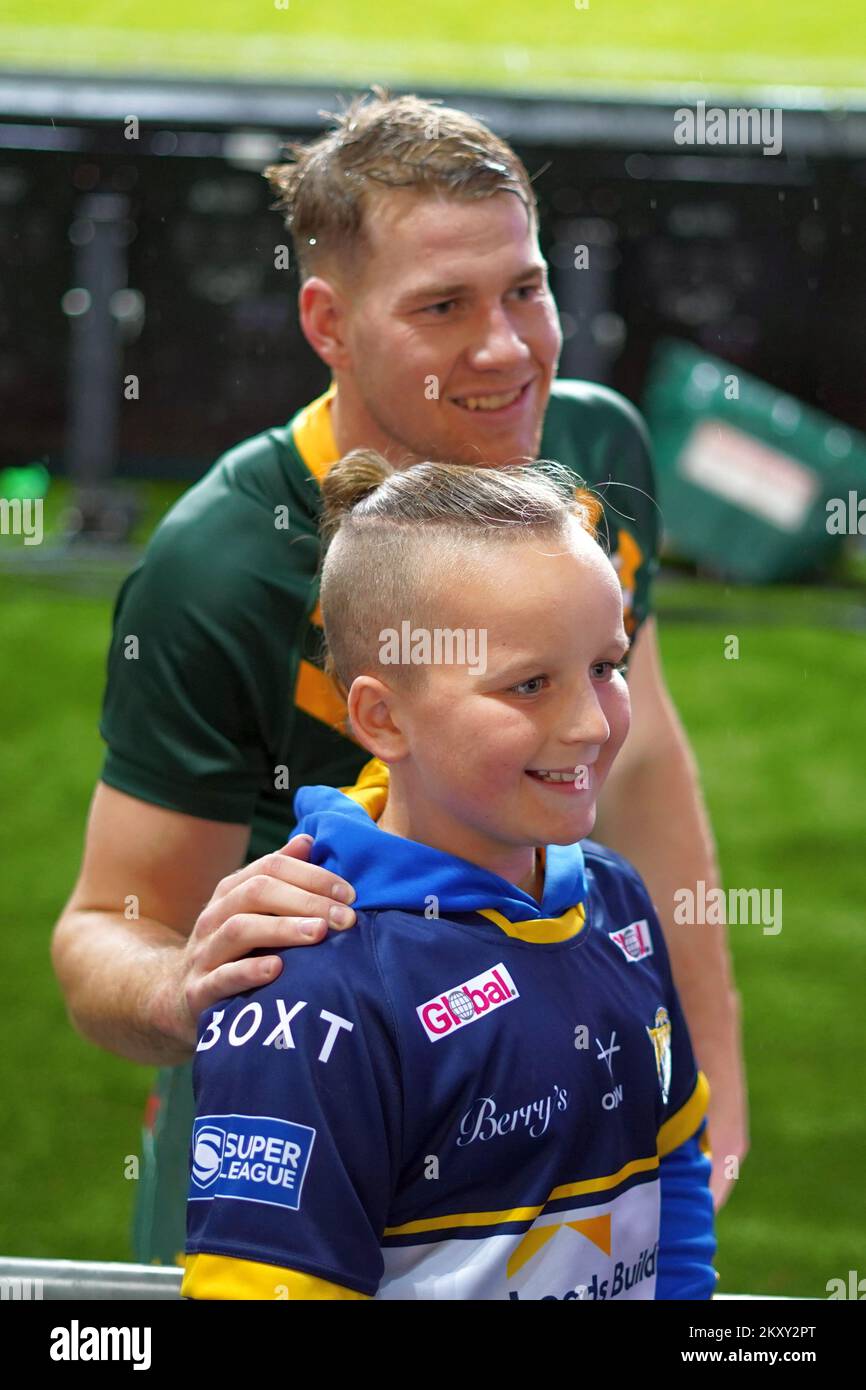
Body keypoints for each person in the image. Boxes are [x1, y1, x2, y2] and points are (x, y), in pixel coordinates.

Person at [50, 87, 745, 1269]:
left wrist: (705, 1065)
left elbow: (644, 761)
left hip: (560, 1065)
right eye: (441, 307)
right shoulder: (220, 570)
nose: (507, 347)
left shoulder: (597, 452)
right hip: (307, 1100)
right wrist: (188, 987)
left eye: (524, 288)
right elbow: (106, 923)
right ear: (327, 321)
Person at [182, 450, 717, 1300]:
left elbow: (674, 1173)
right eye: (530, 684)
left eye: (605, 668)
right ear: (381, 717)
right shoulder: (312, 986)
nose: (589, 723)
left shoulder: (615, 897)